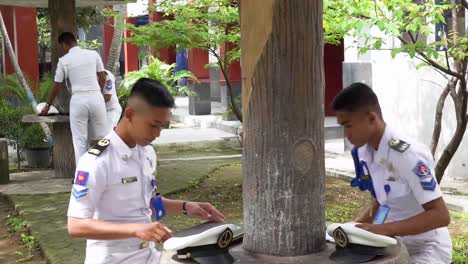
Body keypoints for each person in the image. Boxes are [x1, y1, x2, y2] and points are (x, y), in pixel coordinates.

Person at [67, 78, 225, 263]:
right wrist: (136, 229)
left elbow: (147, 202)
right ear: (130, 114)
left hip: (149, 256)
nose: (157, 133)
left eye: (162, 126)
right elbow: (76, 226)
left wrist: (186, 206)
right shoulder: (97, 161)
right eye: (153, 125)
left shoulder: (146, 152)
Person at [332, 82, 452, 264]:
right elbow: (384, 202)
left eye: (348, 125)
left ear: (372, 118)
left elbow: (440, 215)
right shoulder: (367, 152)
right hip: (394, 244)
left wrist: (386, 229)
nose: (345, 134)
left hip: (428, 248)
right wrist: (356, 228)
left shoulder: (408, 155)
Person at [40, 32, 108, 164]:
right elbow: (102, 77)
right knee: (102, 136)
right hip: (96, 97)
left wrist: (47, 105)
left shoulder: (64, 61)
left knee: (79, 140)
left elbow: (56, 85)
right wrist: (96, 91)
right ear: (75, 41)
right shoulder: (93, 54)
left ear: (64, 45)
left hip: (78, 100)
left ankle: (82, 175)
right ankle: (105, 171)